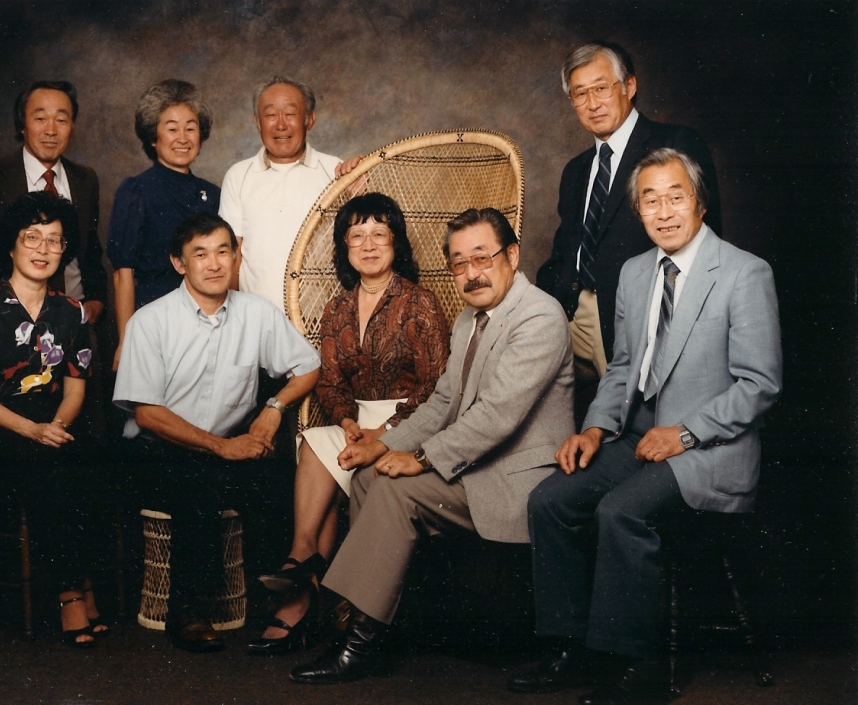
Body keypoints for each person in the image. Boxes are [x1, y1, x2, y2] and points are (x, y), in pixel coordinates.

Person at [512, 149, 781, 704]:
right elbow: (621, 367)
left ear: (700, 202)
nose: (663, 210)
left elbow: (760, 385)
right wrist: (594, 429)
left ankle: (635, 666)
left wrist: (683, 433)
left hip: (709, 449)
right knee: (550, 501)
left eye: (675, 195)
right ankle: (571, 649)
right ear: (637, 210)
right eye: (649, 199)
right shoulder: (634, 274)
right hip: (636, 436)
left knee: (620, 511)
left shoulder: (744, 273)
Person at [289, 208, 575, 684]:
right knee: (366, 477)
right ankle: (376, 621)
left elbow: (496, 416)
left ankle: (359, 645)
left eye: (481, 258)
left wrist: (419, 459)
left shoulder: (539, 316)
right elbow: (442, 403)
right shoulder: (470, 319)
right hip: (474, 467)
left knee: (398, 491)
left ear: (513, 255)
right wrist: (382, 448)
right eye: (458, 264)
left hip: (514, 478)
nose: (470, 273)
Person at [247, 193, 450, 656]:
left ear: (396, 242)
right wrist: (345, 419)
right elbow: (331, 383)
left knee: (334, 458)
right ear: (344, 247)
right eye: (357, 236)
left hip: (413, 420)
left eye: (379, 233)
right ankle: (303, 559)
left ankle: (299, 595)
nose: (369, 244)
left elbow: (436, 386)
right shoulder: (338, 306)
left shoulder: (420, 302)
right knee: (316, 441)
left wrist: (383, 435)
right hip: (357, 419)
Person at [113, 212, 320, 653]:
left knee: (282, 477)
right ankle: (187, 611)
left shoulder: (257, 313)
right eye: (199, 254)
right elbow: (148, 415)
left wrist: (273, 407)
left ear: (237, 257)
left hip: (227, 444)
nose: (213, 264)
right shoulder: (150, 322)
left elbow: (308, 366)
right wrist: (221, 447)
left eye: (223, 251)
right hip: (154, 450)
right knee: (198, 479)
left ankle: (281, 600)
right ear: (178, 263)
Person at [535, 42, 722, 425]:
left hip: (635, 314)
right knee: (535, 402)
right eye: (579, 94)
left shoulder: (675, 145)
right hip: (573, 315)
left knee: (632, 426)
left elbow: (706, 242)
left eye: (601, 88)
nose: (592, 103)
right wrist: (544, 310)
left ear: (629, 86)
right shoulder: (576, 170)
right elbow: (565, 249)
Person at [0, 191, 107, 648]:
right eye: (32, 238)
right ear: (11, 245)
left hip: (51, 421)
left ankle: (80, 583)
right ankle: (70, 593)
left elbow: (76, 388)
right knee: (53, 469)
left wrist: (55, 425)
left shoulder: (71, 312)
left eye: (54, 241)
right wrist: (33, 431)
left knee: (95, 459)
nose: (42, 250)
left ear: (65, 251)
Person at [0, 80, 106, 325]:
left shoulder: (85, 179)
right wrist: (5, 310)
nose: (51, 130)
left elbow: (91, 252)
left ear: (72, 125)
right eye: (40, 119)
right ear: (22, 124)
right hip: (8, 324)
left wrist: (96, 299)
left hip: (76, 319)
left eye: (61, 120)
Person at [219, 75, 360, 310]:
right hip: (257, 320)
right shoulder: (238, 175)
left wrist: (361, 186)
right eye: (271, 115)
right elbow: (231, 256)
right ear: (257, 121)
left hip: (322, 322)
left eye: (291, 114)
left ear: (310, 119)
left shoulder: (336, 171)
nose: (281, 124)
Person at [107, 79, 220, 369]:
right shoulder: (137, 190)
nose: (183, 137)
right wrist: (126, 340)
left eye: (191, 128)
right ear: (153, 137)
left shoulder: (214, 193)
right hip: (154, 320)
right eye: (172, 128)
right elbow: (123, 274)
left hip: (207, 322)